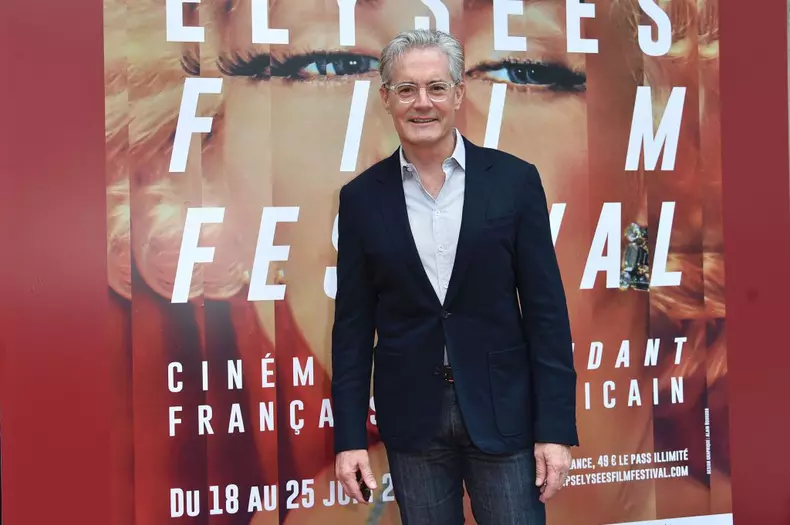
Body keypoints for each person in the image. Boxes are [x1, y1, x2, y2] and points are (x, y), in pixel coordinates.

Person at [331, 28, 579, 524]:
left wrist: (554, 429)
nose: (422, 103)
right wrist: (350, 440)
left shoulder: (514, 182)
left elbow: (547, 314)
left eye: (436, 88)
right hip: (412, 420)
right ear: (386, 98)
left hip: (503, 411)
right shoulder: (360, 199)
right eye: (406, 89)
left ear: (458, 94)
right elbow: (353, 329)